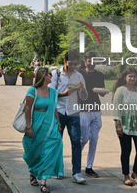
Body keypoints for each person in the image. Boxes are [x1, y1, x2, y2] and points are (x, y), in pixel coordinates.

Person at [48, 50, 88, 184]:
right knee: (57, 141)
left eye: (75, 64)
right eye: (71, 63)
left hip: (74, 113)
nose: (73, 66)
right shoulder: (56, 74)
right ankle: (58, 170)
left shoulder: (79, 76)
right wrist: (64, 94)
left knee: (76, 141)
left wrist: (82, 90)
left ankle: (76, 173)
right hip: (59, 112)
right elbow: (50, 93)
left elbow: (84, 97)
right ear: (65, 61)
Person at [23, 67, 64, 193]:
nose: (51, 76)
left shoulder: (53, 92)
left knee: (49, 151)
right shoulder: (33, 90)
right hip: (36, 124)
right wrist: (29, 127)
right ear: (43, 76)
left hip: (50, 124)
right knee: (34, 152)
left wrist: (58, 124)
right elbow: (27, 109)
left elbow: (54, 109)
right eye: (49, 74)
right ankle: (33, 173)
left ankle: (43, 183)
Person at [113, 67, 137, 186]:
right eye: (130, 76)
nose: (132, 78)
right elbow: (116, 109)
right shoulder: (120, 90)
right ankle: (126, 175)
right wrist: (118, 126)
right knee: (126, 151)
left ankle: (135, 173)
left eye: (134, 76)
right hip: (124, 124)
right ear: (125, 78)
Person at [78, 52, 106, 178]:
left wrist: (103, 92)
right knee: (84, 138)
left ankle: (89, 167)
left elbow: (102, 91)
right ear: (85, 61)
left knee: (94, 139)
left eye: (93, 61)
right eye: (89, 61)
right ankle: (76, 162)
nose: (91, 63)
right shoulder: (80, 74)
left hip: (96, 110)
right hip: (83, 110)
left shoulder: (100, 75)